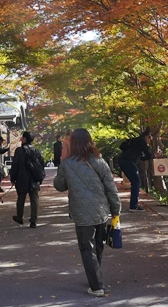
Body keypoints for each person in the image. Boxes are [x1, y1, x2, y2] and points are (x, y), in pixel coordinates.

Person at [53, 127, 121, 297]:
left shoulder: (67, 164)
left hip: (82, 213)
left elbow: (59, 186)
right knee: (97, 246)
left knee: (86, 247)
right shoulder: (99, 161)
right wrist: (115, 211)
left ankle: (97, 286)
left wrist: (62, 159)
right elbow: (111, 188)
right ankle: (95, 277)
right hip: (102, 210)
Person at [10, 131, 44, 227]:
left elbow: (15, 165)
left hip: (22, 178)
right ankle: (33, 220)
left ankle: (19, 217)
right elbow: (41, 165)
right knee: (34, 199)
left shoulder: (19, 151)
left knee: (21, 198)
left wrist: (13, 177)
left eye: (22, 137)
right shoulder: (37, 151)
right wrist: (40, 177)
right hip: (34, 179)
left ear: (25, 139)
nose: (21, 139)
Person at [117, 128, 154, 211]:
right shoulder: (142, 141)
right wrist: (154, 155)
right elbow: (147, 154)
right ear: (147, 136)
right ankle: (133, 206)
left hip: (123, 160)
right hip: (128, 161)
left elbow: (141, 158)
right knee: (136, 182)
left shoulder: (135, 141)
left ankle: (134, 205)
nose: (150, 141)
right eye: (150, 139)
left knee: (135, 182)